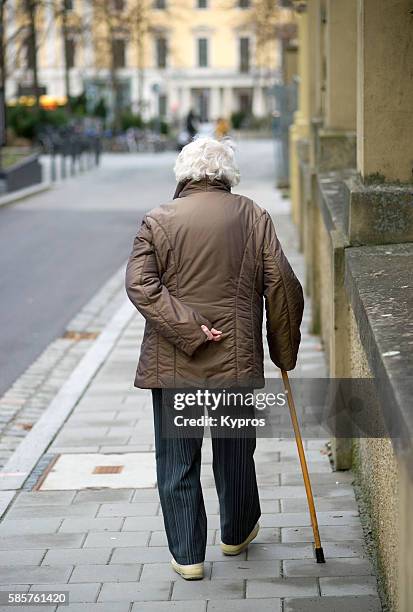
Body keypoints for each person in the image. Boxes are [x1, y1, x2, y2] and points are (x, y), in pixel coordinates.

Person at [125, 137, 304, 580]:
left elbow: (140, 285)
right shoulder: (253, 216)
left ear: (184, 175)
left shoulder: (159, 219)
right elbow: (282, 286)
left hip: (174, 360)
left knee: (176, 458)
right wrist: (283, 352)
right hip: (235, 360)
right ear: (227, 176)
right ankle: (236, 532)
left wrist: (188, 328)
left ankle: (188, 556)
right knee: (235, 451)